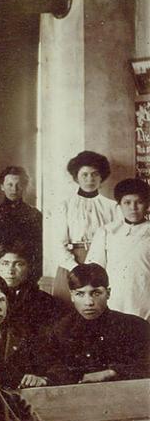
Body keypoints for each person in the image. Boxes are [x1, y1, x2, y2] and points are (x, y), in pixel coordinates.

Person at [44, 263, 150, 384]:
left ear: (108, 293)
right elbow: (51, 368)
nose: (89, 302)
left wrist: (111, 372)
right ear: (72, 296)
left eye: (96, 293)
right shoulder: (61, 329)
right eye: (80, 294)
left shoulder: (135, 326)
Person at [53, 151, 118, 302]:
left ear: (102, 177)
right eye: (85, 175)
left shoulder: (112, 207)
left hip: (102, 263)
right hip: (72, 262)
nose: (90, 179)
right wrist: (74, 267)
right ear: (76, 177)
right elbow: (57, 243)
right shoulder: (65, 205)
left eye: (95, 174)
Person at [85, 177, 150, 321]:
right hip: (114, 300)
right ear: (119, 205)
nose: (133, 208)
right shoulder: (106, 232)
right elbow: (95, 270)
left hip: (144, 300)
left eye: (139, 202)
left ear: (147, 205)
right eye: (127, 202)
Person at [0, 242, 66, 339]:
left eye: (18, 264)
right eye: (5, 264)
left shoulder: (45, 301)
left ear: (29, 267)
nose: (10, 271)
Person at [0, 166, 43, 277]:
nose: (14, 189)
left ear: (24, 186)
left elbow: (38, 248)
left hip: (25, 271)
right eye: (10, 185)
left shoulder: (34, 214)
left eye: (18, 185)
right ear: (2, 186)